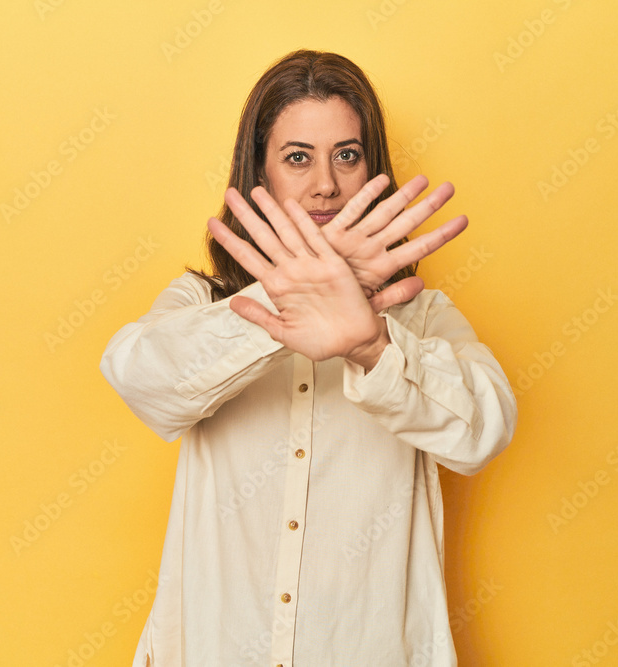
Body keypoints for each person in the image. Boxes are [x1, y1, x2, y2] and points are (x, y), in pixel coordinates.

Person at [101, 49, 517, 667]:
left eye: (347, 155)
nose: (326, 183)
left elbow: (485, 432)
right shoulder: (200, 301)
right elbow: (139, 378)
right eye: (298, 157)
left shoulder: (421, 316)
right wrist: (285, 302)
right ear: (260, 174)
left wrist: (372, 345)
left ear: (372, 169)